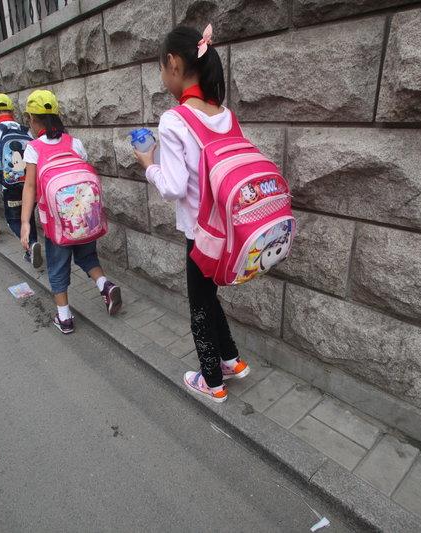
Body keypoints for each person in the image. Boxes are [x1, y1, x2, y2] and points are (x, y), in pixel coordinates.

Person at [135, 25, 250, 403]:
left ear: (173, 63)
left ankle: (212, 382)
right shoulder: (225, 114)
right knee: (209, 295)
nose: (163, 77)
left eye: (161, 68)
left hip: (200, 234)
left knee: (199, 304)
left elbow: (173, 186)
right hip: (228, 229)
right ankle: (232, 359)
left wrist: (148, 164)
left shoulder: (175, 119)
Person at [19, 90, 122, 334]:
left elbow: (31, 187)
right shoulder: (74, 142)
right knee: (87, 257)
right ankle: (105, 285)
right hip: (85, 220)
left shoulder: (33, 148)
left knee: (57, 267)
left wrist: (25, 222)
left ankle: (64, 318)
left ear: (33, 119)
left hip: (57, 225)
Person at [0, 93, 39, 263]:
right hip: (30, 180)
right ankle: (32, 246)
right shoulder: (24, 129)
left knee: (14, 218)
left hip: (10, 184)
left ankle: (31, 245)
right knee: (28, 217)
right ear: (11, 110)